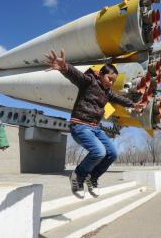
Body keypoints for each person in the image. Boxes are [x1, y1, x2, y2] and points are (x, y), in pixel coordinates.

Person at [45, 49, 143, 198]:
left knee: (112, 153)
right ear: (101, 74)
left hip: (95, 128)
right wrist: (65, 67)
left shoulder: (108, 92)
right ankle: (78, 176)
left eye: (114, 81)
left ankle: (93, 178)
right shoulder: (89, 81)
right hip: (80, 125)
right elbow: (75, 75)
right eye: (110, 79)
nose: (111, 83)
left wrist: (133, 105)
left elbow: (119, 98)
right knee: (99, 152)